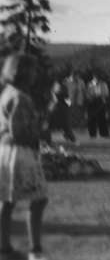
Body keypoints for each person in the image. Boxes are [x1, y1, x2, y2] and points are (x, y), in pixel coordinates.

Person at [0, 55, 50, 260]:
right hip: (20, 153)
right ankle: (35, 250)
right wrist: (41, 133)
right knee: (38, 199)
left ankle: (3, 248)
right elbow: (19, 132)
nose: (35, 74)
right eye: (33, 70)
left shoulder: (7, 93)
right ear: (21, 72)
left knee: (7, 201)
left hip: (5, 152)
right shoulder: (21, 97)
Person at [85, 72, 110, 139]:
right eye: (95, 77)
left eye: (98, 77)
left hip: (100, 101)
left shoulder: (103, 84)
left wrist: (101, 96)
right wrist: (90, 98)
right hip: (92, 101)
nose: (97, 79)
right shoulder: (90, 84)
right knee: (92, 118)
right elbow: (87, 93)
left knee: (102, 118)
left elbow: (106, 93)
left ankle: (104, 133)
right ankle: (92, 134)